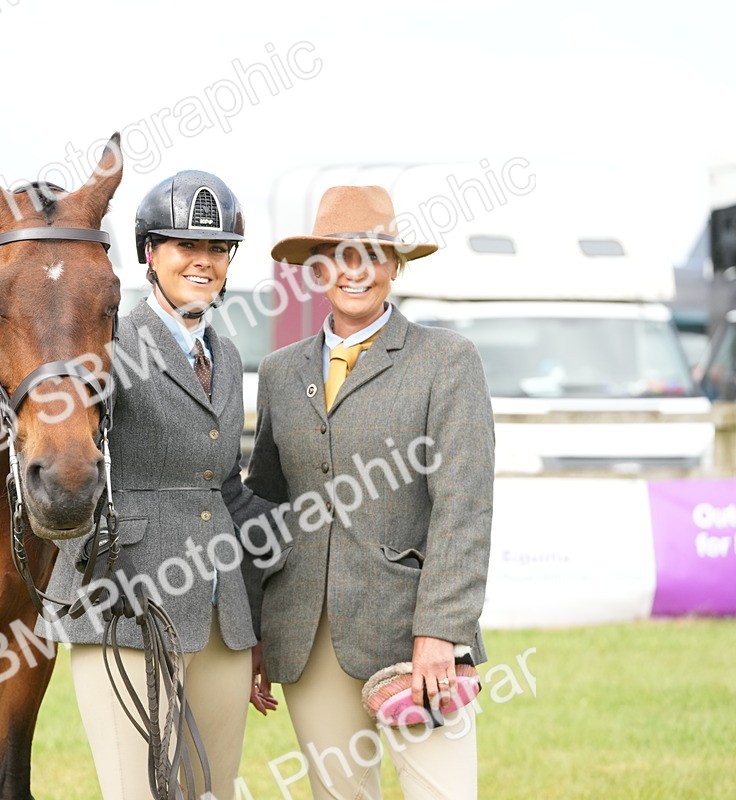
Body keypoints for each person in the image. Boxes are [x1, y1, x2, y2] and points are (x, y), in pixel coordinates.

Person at [243, 185, 495, 799]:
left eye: (373, 255)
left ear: (395, 266)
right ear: (316, 269)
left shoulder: (448, 361)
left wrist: (442, 630)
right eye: (339, 256)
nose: (355, 272)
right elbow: (266, 506)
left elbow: (464, 506)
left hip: (412, 637)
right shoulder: (280, 371)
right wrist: (254, 632)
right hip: (303, 634)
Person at [39, 171, 276, 800]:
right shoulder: (107, 341)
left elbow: (223, 483)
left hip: (224, 614)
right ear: (149, 253)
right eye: (184, 247)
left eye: (217, 250)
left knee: (211, 792)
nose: (203, 262)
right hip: (127, 598)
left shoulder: (225, 355)